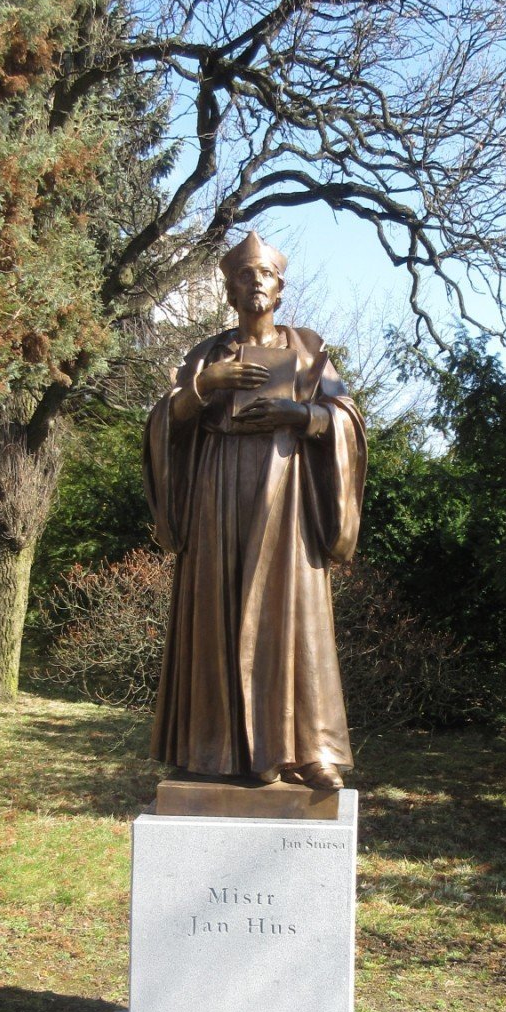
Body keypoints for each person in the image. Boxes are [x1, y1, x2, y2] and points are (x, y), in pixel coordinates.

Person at [144, 231, 366, 789]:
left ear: (280, 288)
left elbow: (348, 420)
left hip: (286, 495)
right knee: (216, 609)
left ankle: (308, 749)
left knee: (291, 613)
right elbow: (162, 425)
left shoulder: (310, 349)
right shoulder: (206, 354)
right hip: (217, 495)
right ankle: (210, 749)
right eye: (243, 277)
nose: (254, 284)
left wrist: (301, 414)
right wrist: (203, 386)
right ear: (229, 290)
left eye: (263, 275)